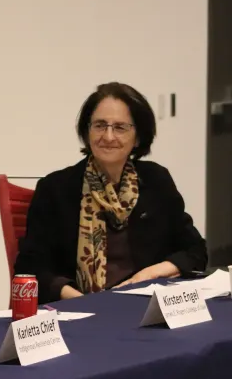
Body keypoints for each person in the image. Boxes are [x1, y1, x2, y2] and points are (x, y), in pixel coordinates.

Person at [14, 82, 208, 304]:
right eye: (100, 125)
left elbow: (195, 251)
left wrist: (148, 275)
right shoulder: (56, 188)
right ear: (87, 131)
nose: (108, 136)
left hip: (144, 306)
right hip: (78, 310)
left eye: (120, 127)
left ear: (138, 137)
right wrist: (80, 301)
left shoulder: (156, 181)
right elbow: (30, 267)